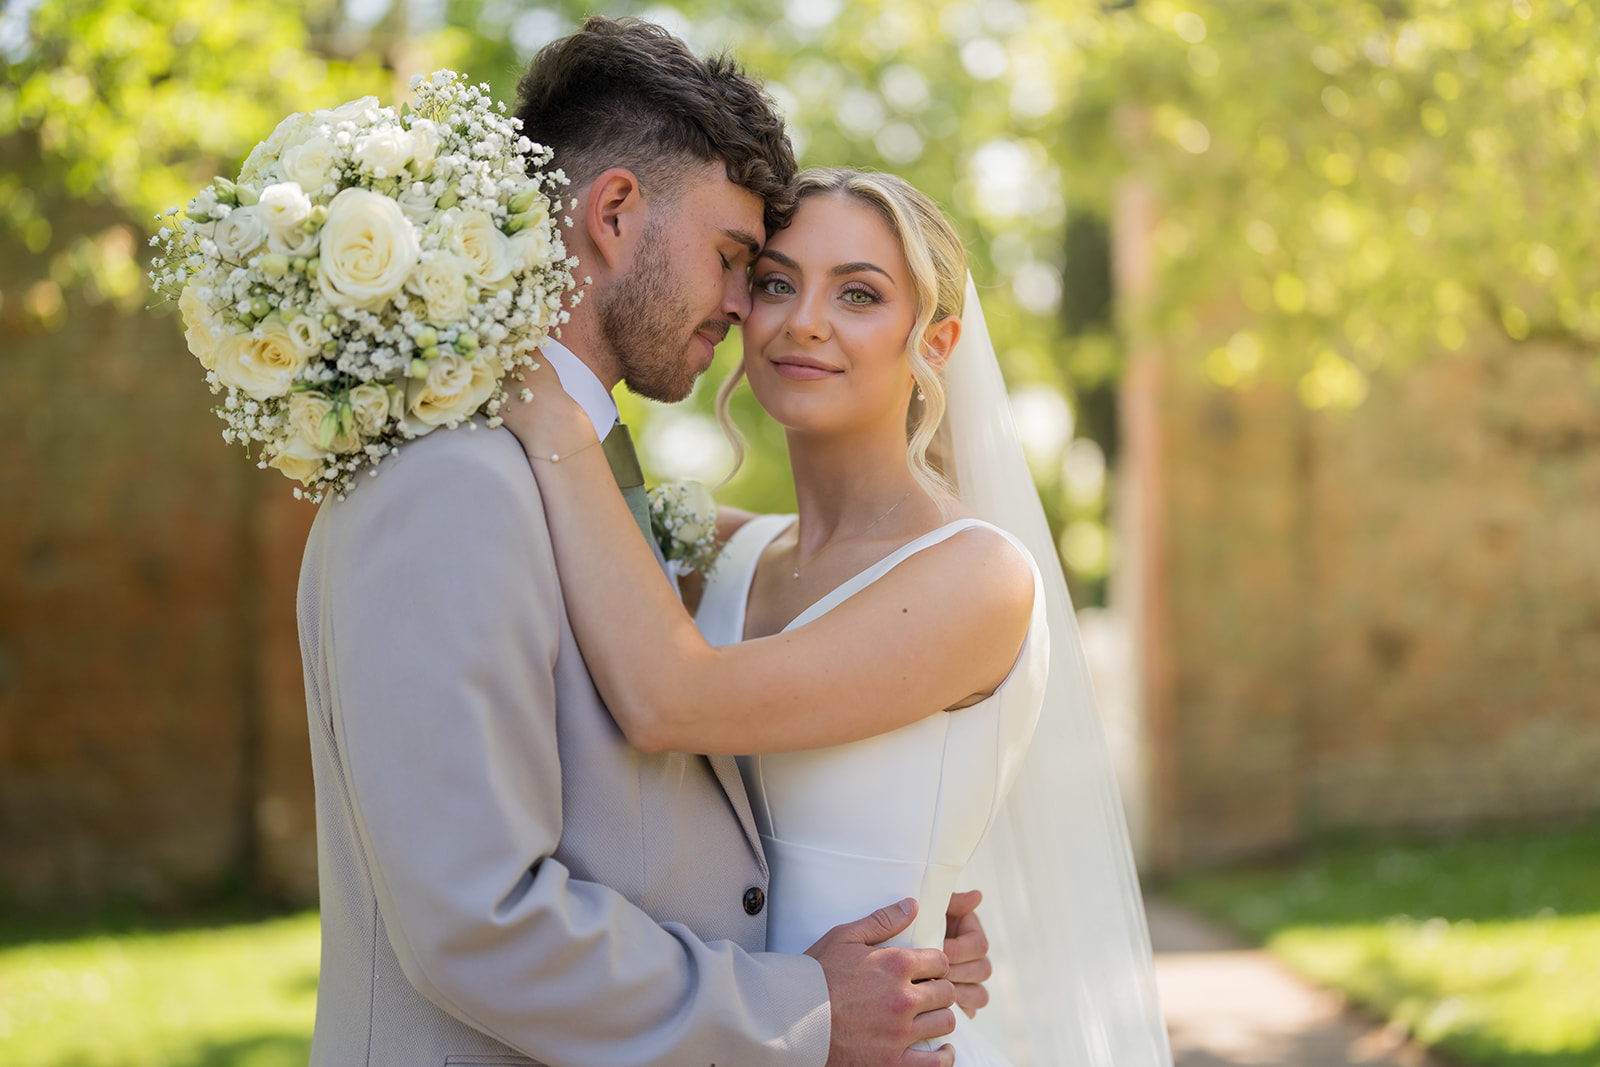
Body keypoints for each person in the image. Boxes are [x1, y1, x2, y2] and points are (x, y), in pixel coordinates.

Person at [296, 20, 989, 1067]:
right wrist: (803, 1004)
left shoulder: (591, 481)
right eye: (740, 264)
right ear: (614, 212)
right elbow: (478, 919)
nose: (746, 311)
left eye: (851, 291)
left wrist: (914, 909)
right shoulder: (456, 481)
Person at [500, 169, 1175, 1066]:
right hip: (716, 1036)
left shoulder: (977, 577)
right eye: (777, 282)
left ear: (935, 342)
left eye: (858, 293)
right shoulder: (719, 553)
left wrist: (553, 412)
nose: (804, 319)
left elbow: (669, 702)